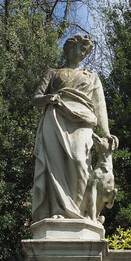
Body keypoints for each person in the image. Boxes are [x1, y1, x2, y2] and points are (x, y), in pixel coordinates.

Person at [31, 33, 117, 223]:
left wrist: (106, 132)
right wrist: (47, 99)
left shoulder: (92, 77)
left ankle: (80, 213)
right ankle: (58, 211)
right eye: (80, 48)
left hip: (83, 122)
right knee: (55, 167)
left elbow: (100, 106)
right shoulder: (52, 73)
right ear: (70, 47)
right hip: (55, 119)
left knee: (79, 162)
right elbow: (36, 99)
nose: (82, 54)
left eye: (86, 51)